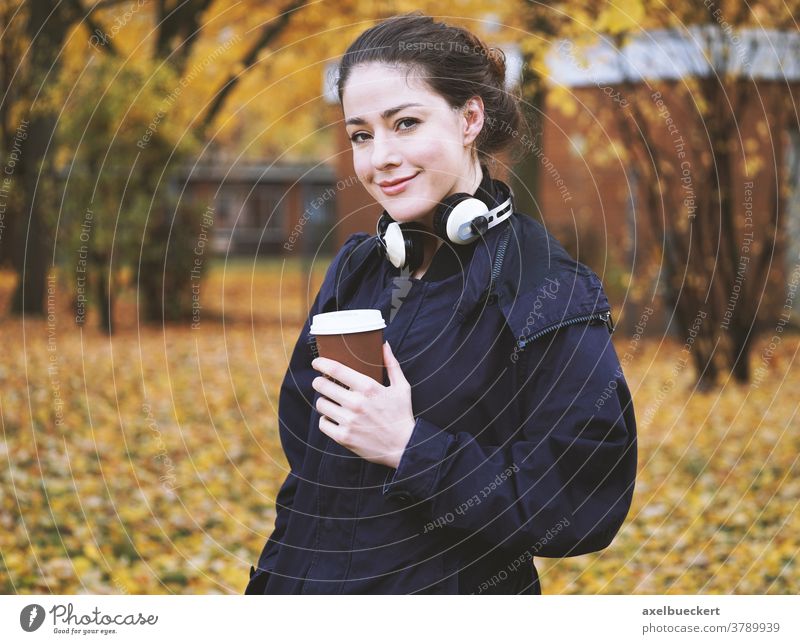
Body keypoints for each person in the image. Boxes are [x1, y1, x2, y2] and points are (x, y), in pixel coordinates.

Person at [246, 12, 637, 595]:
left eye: (405, 123)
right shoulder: (358, 270)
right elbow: (309, 466)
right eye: (361, 134)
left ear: (469, 117)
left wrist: (409, 447)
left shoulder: (544, 285)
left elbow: (579, 500)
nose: (380, 157)